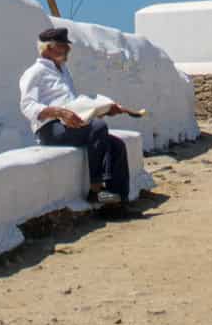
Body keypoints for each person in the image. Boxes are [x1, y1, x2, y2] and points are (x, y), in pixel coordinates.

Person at [18, 26, 136, 207]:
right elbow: (27, 106)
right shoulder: (34, 72)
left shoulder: (64, 71)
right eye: (63, 46)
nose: (68, 50)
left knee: (117, 146)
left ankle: (117, 203)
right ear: (48, 49)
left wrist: (104, 109)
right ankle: (96, 190)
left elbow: (73, 104)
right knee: (98, 127)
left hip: (71, 126)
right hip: (50, 129)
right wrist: (59, 112)